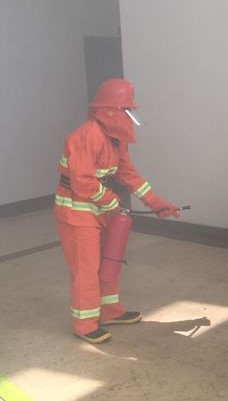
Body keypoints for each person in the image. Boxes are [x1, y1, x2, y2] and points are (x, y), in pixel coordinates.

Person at [54, 78, 179, 344]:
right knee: (86, 269)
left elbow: (127, 174)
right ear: (110, 111)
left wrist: (155, 202)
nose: (129, 117)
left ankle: (109, 310)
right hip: (76, 212)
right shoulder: (87, 135)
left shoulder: (114, 139)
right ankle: (85, 323)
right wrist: (111, 201)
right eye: (127, 111)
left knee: (109, 261)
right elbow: (82, 181)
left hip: (97, 209)